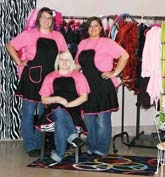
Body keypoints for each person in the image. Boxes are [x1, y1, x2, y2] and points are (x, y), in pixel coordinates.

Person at [6, 7, 68, 157]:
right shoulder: (29, 34)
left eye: (49, 18)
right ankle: (30, 145)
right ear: (38, 19)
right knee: (28, 113)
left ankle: (40, 144)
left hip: (50, 78)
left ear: (52, 20)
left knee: (44, 113)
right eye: (43, 17)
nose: (46, 21)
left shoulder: (58, 36)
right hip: (32, 77)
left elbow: (64, 55)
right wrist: (19, 61)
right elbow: (10, 45)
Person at [75, 16, 129, 157]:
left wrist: (115, 72)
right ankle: (91, 147)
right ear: (87, 29)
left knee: (103, 120)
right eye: (90, 26)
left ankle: (101, 148)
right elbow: (78, 65)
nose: (93, 29)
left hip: (103, 85)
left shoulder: (107, 42)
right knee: (89, 118)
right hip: (86, 85)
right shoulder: (82, 43)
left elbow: (125, 55)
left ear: (101, 28)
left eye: (96, 26)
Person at [37, 50, 90, 166]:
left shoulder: (78, 76)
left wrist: (69, 104)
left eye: (67, 59)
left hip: (73, 109)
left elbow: (84, 97)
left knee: (59, 119)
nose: (64, 62)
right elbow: (44, 99)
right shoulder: (50, 76)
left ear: (71, 61)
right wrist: (58, 99)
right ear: (57, 61)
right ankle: (73, 136)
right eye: (62, 59)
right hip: (53, 109)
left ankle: (58, 156)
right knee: (58, 109)